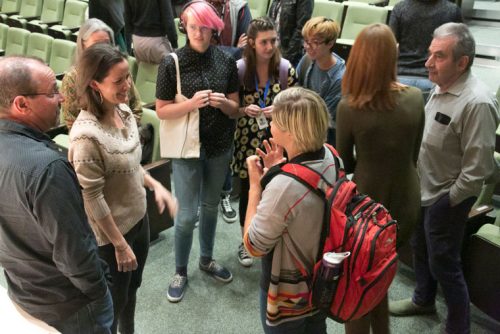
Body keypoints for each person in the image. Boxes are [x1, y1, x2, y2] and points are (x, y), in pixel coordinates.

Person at [389, 23, 499, 334]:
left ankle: (458, 325)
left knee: (445, 263)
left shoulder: (477, 102)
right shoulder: (442, 84)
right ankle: (423, 298)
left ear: (462, 62)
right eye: (429, 54)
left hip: (448, 199)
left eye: (438, 56)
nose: (427, 63)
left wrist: (445, 203)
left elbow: (478, 170)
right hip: (424, 188)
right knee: (421, 249)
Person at [68, 43, 177, 334]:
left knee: (132, 293)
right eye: (118, 81)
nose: (127, 85)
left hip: (139, 222)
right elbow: (92, 197)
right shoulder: (86, 138)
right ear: (95, 84)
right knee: (114, 303)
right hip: (113, 239)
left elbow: (129, 166)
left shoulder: (125, 111)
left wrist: (156, 185)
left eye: (127, 77)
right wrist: (119, 245)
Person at [0, 56, 113, 333]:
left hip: (24, 290)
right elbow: (75, 254)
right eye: (52, 92)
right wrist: (101, 290)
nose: (62, 98)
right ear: (21, 104)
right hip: (71, 305)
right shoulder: (48, 169)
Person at [336, 23, 425, 334]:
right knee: (382, 273)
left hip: (367, 208)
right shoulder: (416, 98)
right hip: (406, 202)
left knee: (358, 280)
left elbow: (344, 162)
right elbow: (413, 154)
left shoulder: (349, 107)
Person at [155, 1, 240, 303]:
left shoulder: (226, 61)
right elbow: (162, 111)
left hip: (219, 145)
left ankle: (206, 259)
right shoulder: (171, 62)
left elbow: (235, 108)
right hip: (186, 149)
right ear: (184, 27)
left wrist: (224, 104)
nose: (199, 33)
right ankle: (180, 270)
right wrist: (191, 104)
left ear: (214, 28)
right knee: (187, 215)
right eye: (193, 27)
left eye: (205, 27)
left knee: (211, 207)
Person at [244, 87, 334, 333]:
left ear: (290, 132)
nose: (270, 122)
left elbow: (253, 246)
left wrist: (255, 186)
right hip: (323, 279)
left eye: (275, 120)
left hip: (289, 295)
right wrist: (277, 171)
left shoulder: (284, 187)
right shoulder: (332, 156)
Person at [232, 16, 297, 267]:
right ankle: (245, 239)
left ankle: (275, 236)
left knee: (278, 189)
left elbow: (295, 106)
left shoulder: (285, 69)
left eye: (273, 41)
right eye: (263, 42)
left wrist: (278, 111)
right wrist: (242, 110)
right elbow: (232, 107)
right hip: (247, 140)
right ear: (252, 43)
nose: (269, 47)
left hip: (278, 138)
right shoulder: (239, 69)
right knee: (251, 190)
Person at [206, 0, 253, 224]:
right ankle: (201, 200)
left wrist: (233, 49)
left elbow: (246, 47)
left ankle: (224, 195)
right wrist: (235, 47)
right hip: (208, 79)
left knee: (225, 143)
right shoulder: (197, 5)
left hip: (230, 73)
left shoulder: (239, 7)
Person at [61, 18, 142, 131]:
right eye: (96, 45)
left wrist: (125, 131)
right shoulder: (72, 78)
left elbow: (136, 107)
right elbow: (70, 120)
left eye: (107, 44)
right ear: (83, 47)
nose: (103, 49)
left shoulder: (120, 70)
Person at [389, 0, 462, 99]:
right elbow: (459, 47)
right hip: (435, 80)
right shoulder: (452, 10)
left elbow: (389, 45)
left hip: (400, 77)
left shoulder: (400, 8)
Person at [297, 16, 345, 146]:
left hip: (325, 139)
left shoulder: (340, 78)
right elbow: (295, 92)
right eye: (306, 41)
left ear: (330, 43)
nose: (307, 46)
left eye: (315, 42)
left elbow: (323, 117)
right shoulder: (307, 60)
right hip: (303, 130)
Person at [124, 0, 178, 64]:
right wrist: (174, 44)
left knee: (145, 73)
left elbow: (127, 19)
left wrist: (129, 46)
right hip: (156, 41)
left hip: (137, 41)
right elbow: (168, 18)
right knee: (173, 70)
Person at [268, 0, 313, 67]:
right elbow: (271, 19)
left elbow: (301, 30)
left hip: (291, 53)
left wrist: (286, 57)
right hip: (274, 49)